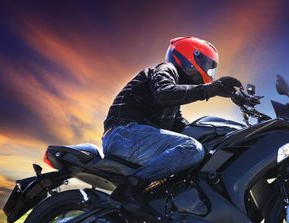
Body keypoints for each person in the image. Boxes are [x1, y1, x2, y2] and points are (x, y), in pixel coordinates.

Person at [102, 36, 242, 214]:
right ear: (191, 58)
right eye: (207, 65)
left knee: (198, 150)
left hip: (135, 138)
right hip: (124, 134)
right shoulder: (165, 70)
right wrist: (211, 89)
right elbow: (164, 93)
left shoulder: (173, 101)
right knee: (192, 149)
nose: (209, 72)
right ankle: (129, 190)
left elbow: (180, 126)